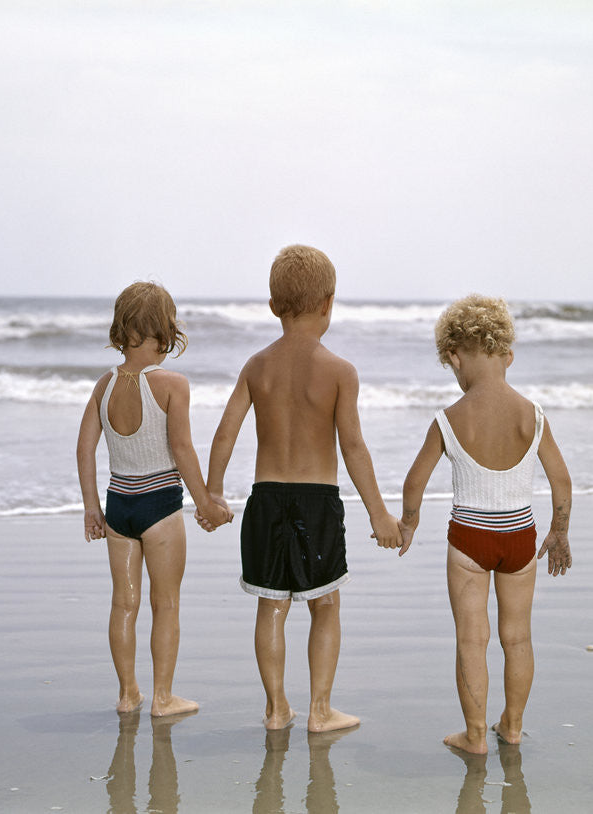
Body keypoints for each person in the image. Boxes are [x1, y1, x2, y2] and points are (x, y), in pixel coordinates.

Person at [199, 244, 402, 733]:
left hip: (265, 499)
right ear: (329, 303)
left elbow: (225, 431)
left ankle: (274, 710)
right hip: (317, 503)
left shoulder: (256, 367)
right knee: (324, 605)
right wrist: (379, 515)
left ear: (273, 306)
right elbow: (353, 447)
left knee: (271, 605)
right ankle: (319, 710)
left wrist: (212, 493)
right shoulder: (339, 371)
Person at [397, 293, 572, 754]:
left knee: (472, 640)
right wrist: (559, 532)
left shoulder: (449, 419)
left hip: (469, 542)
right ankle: (511, 727)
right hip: (520, 539)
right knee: (517, 638)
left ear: (454, 357)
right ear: (507, 355)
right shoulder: (532, 415)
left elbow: (414, 483)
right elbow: (562, 482)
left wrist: (408, 524)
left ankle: (474, 735)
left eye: (452, 367)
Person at [77, 281, 232, 717]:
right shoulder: (172, 384)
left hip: (118, 506)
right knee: (165, 604)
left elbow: (84, 447)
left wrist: (92, 507)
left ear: (121, 329)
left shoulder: (103, 386)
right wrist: (205, 504)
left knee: (123, 603)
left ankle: (128, 695)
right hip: (161, 507)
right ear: (165, 331)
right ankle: (163, 698)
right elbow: (182, 449)